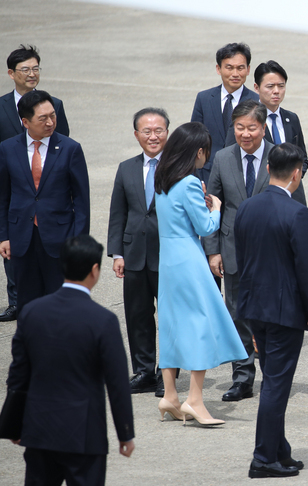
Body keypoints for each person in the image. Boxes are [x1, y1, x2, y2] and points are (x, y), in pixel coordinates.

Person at [6, 234, 134, 485]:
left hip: (39, 430)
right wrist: (125, 434)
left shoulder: (32, 312)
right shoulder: (103, 320)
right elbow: (117, 384)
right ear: (94, 270)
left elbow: (18, 374)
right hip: (84, 435)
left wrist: (14, 423)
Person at [205, 100, 302, 403]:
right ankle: (242, 377)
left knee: (271, 316)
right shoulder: (222, 158)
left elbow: (298, 206)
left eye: (251, 128)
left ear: (263, 128)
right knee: (237, 315)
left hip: (272, 253)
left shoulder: (280, 156)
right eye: (239, 127)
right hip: (233, 250)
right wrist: (213, 251)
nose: (245, 134)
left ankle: (272, 375)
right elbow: (212, 207)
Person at [234, 143, 308, 478]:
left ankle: (279, 450)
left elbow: (242, 260)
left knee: (273, 380)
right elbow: (306, 267)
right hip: (284, 312)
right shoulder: (296, 212)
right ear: (296, 173)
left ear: (268, 168)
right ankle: (263, 458)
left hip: (254, 307)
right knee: (275, 385)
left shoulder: (246, 207)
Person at [153, 122, 247, 426]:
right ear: (198, 152)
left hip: (168, 259)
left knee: (170, 323)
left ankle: (170, 395)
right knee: (200, 325)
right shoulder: (190, 182)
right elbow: (206, 227)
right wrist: (216, 206)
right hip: (189, 260)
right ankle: (194, 399)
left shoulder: (162, 179)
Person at [0, 90, 89, 313]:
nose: (50, 122)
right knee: (28, 306)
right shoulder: (8, 149)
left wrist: (79, 243)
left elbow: (81, 200)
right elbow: (3, 196)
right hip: (22, 238)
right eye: (43, 118)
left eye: (53, 116)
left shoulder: (70, 149)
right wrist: (3, 236)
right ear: (25, 122)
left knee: (62, 304)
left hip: (60, 239)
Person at [0, 45, 70, 323]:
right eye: (25, 69)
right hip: (14, 184)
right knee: (15, 249)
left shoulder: (54, 105)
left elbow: (63, 144)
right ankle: (17, 301)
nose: (32, 74)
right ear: (11, 73)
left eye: (35, 68)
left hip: (47, 188)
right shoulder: (2, 106)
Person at [107, 107, 168, 395]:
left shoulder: (178, 167)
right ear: (136, 135)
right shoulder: (126, 168)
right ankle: (143, 371)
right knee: (137, 315)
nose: (153, 136)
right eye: (147, 131)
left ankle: (165, 374)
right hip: (133, 255)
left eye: (158, 130)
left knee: (170, 317)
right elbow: (117, 213)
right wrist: (117, 253)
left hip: (168, 255)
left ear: (167, 132)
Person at [191, 42, 259, 186]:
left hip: (243, 175)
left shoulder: (257, 101)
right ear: (218, 69)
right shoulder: (204, 98)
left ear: (248, 70)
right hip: (208, 175)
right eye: (229, 67)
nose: (235, 73)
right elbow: (194, 141)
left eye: (240, 68)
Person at [253, 60, 308, 205]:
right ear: (256, 88)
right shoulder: (248, 120)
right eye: (270, 86)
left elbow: (303, 156)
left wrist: (292, 177)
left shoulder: (292, 118)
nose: (276, 91)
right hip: (263, 196)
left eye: (281, 86)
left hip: (293, 196)